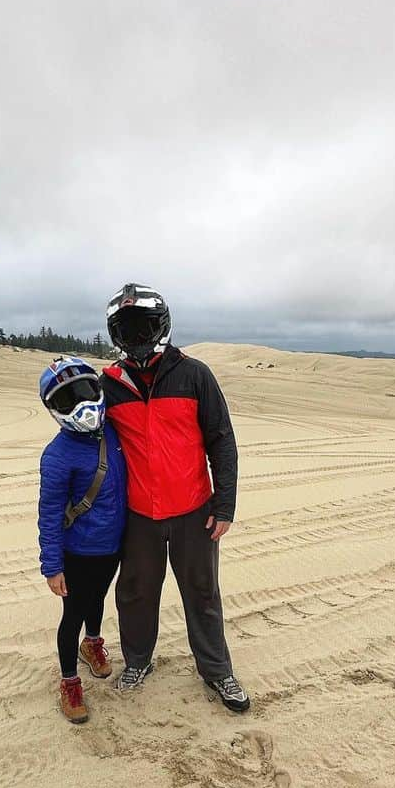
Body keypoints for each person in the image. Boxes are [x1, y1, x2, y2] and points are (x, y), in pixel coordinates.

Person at [100, 284, 249, 713]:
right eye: (126, 327)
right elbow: (88, 442)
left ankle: (217, 671)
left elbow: (222, 440)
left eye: (143, 325)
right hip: (138, 514)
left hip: (194, 510)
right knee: (134, 592)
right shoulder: (108, 384)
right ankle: (139, 662)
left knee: (202, 592)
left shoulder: (194, 374)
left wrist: (225, 505)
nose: (136, 334)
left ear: (161, 325)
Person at [37, 355, 127, 724]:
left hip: (114, 544)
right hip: (78, 550)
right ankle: (69, 681)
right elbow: (48, 514)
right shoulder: (57, 456)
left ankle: (93, 644)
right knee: (72, 614)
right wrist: (52, 566)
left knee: (98, 600)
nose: (82, 405)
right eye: (67, 399)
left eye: (86, 392)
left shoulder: (114, 432)